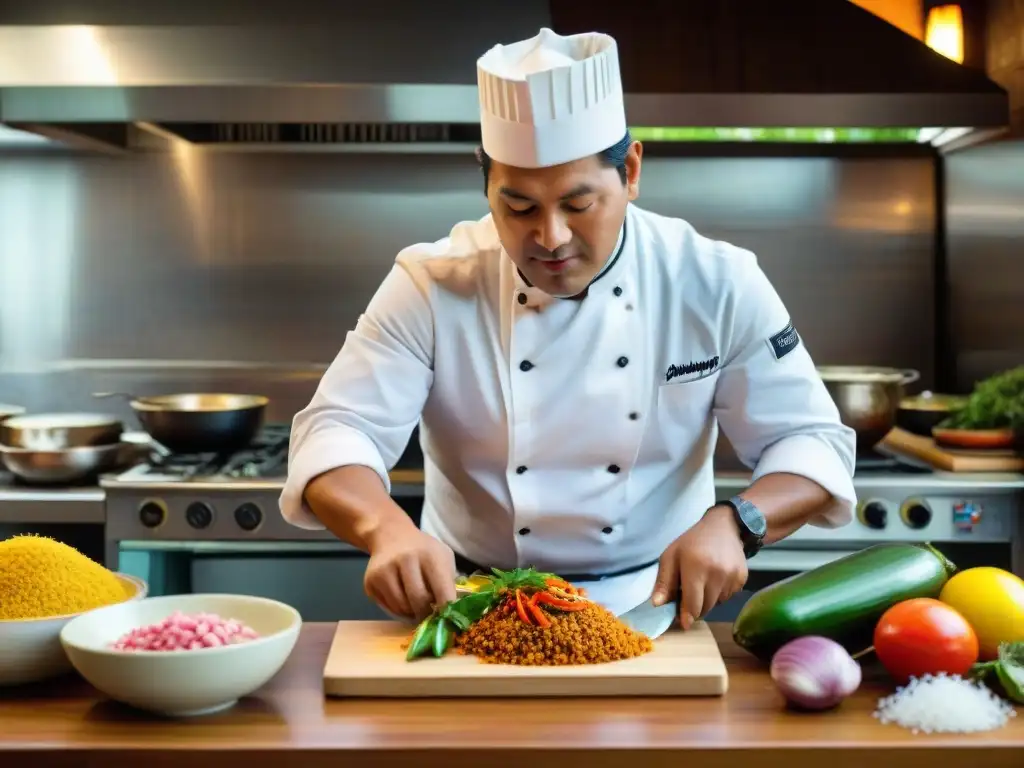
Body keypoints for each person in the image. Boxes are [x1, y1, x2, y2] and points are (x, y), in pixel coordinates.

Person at [280, 27, 857, 627]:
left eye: (578, 205)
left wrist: (738, 522)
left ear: (631, 171)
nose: (550, 237)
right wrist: (387, 529)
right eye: (519, 207)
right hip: (468, 606)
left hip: (655, 608)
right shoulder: (432, 283)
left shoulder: (714, 281)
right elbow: (338, 429)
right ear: (485, 185)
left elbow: (812, 442)